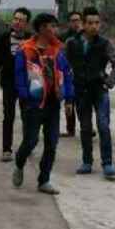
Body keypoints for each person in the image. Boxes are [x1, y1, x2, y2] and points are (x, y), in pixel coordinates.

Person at [13, 13, 75, 195]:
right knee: (31, 141)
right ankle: (19, 163)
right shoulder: (25, 50)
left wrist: (69, 98)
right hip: (33, 105)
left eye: (55, 26)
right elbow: (19, 76)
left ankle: (44, 180)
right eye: (52, 26)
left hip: (53, 104)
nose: (55, 30)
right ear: (41, 28)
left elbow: (67, 74)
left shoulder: (58, 50)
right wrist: (25, 97)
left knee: (51, 143)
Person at [66, 6, 115, 180]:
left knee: (103, 126)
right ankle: (87, 162)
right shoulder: (71, 43)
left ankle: (107, 163)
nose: (94, 26)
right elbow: (64, 66)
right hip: (80, 90)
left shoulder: (105, 43)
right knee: (85, 128)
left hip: (99, 90)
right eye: (90, 23)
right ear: (83, 24)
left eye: (97, 23)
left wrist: (109, 82)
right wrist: (68, 91)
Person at [0, 8, 32, 162]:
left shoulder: (31, 39)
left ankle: (27, 146)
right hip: (8, 82)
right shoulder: (2, 39)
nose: (17, 22)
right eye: (15, 19)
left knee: (27, 115)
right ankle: (6, 149)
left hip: (26, 83)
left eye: (21, 20)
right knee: (8, 115)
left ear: (26, 24)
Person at [60, 11, 83, 137]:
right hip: (67, 73)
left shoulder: (86, 36)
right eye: (73, 20)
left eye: (78, 20)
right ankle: (70, 129)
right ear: (69, 22)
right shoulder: (63, 37)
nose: (76, 23)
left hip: (82, 73)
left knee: (82, 102)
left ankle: (86, 127)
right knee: (69, 102)